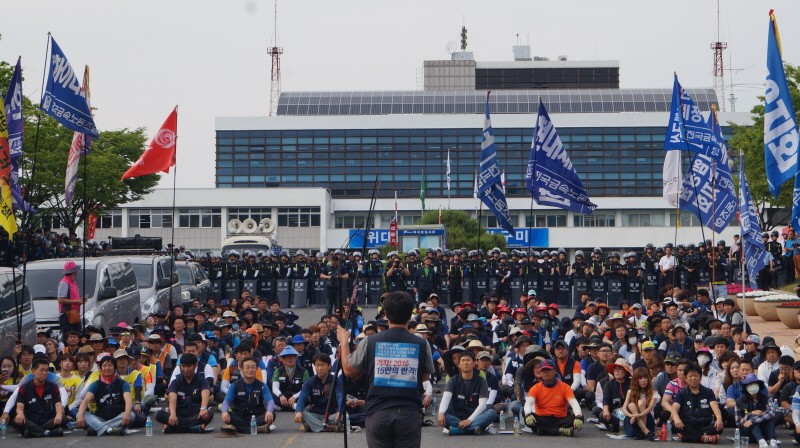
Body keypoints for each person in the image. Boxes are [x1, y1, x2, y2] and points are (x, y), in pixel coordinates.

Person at [337, 290, 435, 447]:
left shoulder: (370, 341)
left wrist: (343, 342)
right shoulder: (422, 343)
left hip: (378, 413)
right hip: (409, 413)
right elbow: (424, 376)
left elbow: (349, 370)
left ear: (386, 314)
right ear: (411, 314)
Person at [436, 351, 496, 435]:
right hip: (456, 416)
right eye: (463, 360)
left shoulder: (482, 381)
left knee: (491, 412)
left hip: (475, 416)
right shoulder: (452, 381)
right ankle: (473, 429)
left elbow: (482, 405)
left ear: (474, 363)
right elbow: (445, 399)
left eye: (468, 360)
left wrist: (469, 420)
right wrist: (441, 413)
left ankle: (458, 430)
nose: (465, 363)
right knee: (440, 413)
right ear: (459, 365)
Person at [523, 359, 584, 437]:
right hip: (542, 418)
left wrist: (578, 416)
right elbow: (528, 403)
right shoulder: (535, 388)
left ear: (555, 371)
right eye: (543, 370)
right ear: (541, 373)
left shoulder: (565, 387)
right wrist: (528, 414)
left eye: (548, 370)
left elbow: (574, 403)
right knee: (525, 415)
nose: (546, 372)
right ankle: (559, 431)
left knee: (580, 417)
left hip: (561, 419)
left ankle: (543, 430)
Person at [76, 355, 134, 436]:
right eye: (104, 366)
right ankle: (109, 429)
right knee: (80, 414)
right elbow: (85, 401)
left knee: (131, 415)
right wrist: (80, 416)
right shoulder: (95, 384)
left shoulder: (123, 383)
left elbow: (128, 401)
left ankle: (98, 428)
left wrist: (127, 414)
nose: (107, 368)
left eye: (110, 365)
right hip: (100, 417)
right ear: (100, 368)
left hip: (118, 416)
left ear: (115, 368)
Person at [156, 353, 213, 434]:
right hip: (178, 416)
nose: (185, 369)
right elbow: (172, 396)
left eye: (189, 366)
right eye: (183, 366)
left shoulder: (201, 380)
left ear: (195, 365)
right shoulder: (176, 381)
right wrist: (172, 414)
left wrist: (203, 408)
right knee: (158, 415)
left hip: (195, 415)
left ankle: (174, 429)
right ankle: (192, 428)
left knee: (209, 414)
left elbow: (206, 392)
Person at [9, 357, 64, 438]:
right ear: (33, 371)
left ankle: (32, 432)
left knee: (64, 418)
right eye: (42, 370)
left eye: (46, 370)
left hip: (48, 420)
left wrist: (59, 414)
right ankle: (47, 432)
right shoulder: (24, 388)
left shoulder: (53, 387)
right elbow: (19, 406)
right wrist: (20, 413)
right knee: (16, 420)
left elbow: (58, 404)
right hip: (31, 420)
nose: (45, 373)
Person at [671, 363, 724, 444]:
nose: (693, 378)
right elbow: (674, 408)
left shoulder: (708, 392)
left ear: (700, 377)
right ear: (685, 378)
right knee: (675, 425)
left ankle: (688, 437)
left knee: (718, 428)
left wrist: (719, 419)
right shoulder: (682, 393)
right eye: (690, 376)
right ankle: (704, 438)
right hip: (688, 424)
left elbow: (715, 406)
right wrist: (677, 418)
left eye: (696, 376)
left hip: (704, 424)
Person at [220, 357, 275, 434]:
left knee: (272, 414)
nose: (250, 370)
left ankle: (240, 428)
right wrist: (224, 412)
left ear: (256, 369)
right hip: (240, 416)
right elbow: (226, 401)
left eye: (253, 367)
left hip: (257, 416)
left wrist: (269, 411)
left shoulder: (262, 386)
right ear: (241, 370)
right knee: (228, 416)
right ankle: (257, 429)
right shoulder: (234, 386)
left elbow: (270, 401)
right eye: (247, 367)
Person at [294, 353, 343, 433]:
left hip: (331, 414)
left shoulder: (336, 380)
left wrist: (340, 411)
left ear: (329, 366)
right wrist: (299, 411)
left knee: (345, 415)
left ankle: (315, 426)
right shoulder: (310, 382)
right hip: (315, 414)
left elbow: (340, 396)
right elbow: (302, 397)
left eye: (322, 365)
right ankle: (328, 427)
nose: (319, 368)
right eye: (317, 365)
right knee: (301, 412)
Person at [736, 373, 778, 448]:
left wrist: (753, 420)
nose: (752, 386)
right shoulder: (739, 401)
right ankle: (761, 442)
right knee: (752, 415)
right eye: (750, 384)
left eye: (754, 383)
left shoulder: (766, 398)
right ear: (746, 387)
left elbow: (771, 412)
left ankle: (773, 441)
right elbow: (738, 423)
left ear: (758, 385)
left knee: (769, 417)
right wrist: (749, 415)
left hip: (764, 430)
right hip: (747, 433)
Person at [56, 261, 85, 340]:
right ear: (74, 272)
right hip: (67, 315)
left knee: (77, 336)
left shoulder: (72, 282)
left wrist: (80, 300)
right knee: (69, 338)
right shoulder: (64, 283)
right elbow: (60, 300)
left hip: (74, 314)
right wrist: (77, 302)